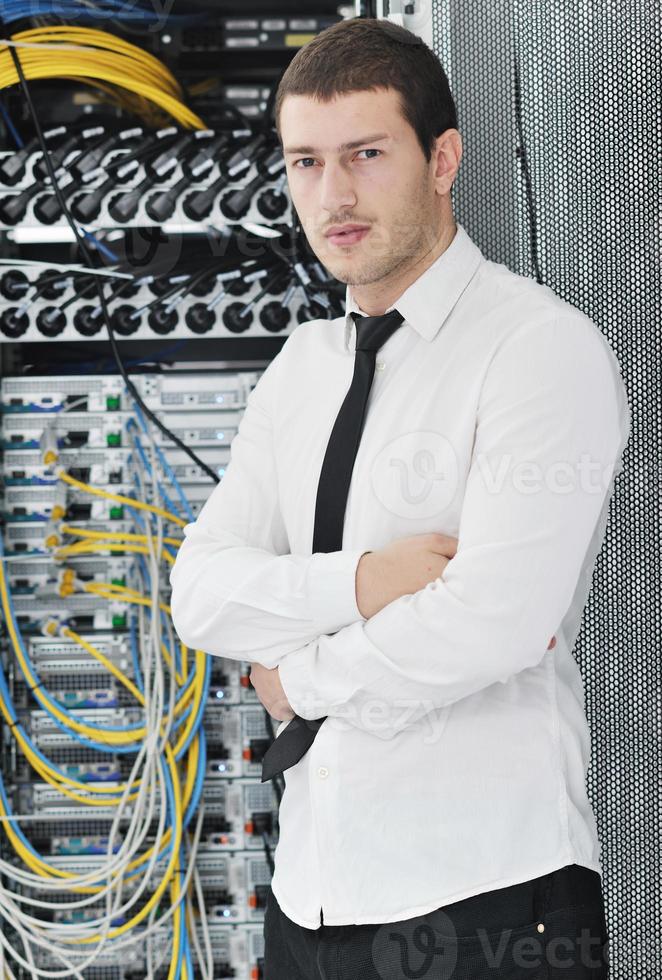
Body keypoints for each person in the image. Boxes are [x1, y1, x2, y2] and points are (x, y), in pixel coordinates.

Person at [169, 17, 630, 979]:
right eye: (305, 162)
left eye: (366, 154)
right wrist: (373, 581)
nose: (331, 195)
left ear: (443, 158)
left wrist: (299, 679)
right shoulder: (302, 367)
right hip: (310, 890)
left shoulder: (537, 352)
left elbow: (493, 625)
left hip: (487, 897)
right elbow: (201, 595)